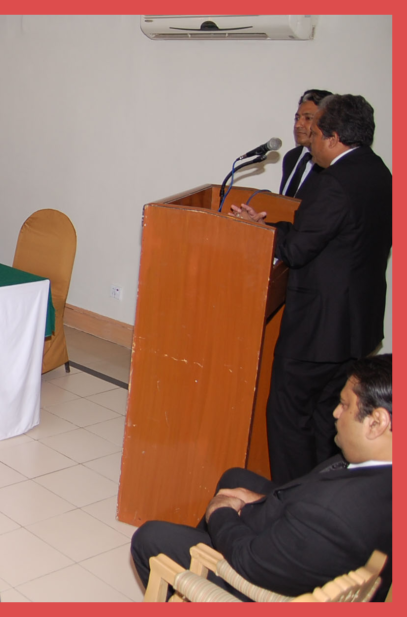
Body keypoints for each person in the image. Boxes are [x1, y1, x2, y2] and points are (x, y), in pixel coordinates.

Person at [130, 354, 392, 602]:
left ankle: (199, 566)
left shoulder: (330, 513)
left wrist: (221, 513)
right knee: (235, 478)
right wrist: (265, 500)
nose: (335, 412)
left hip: (265, 586)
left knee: (151, 537)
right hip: (309, 552)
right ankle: (202, 546)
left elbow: (249, 561)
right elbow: (309, 506)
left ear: (376, 422)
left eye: (345, 405)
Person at [233, 94, 393, 484]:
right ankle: (323, 490)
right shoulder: (379, 172)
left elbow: (298, 250)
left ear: (334, 138)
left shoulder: (333, 182)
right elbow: (334, 238)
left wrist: (259, 232)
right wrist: (270, 226)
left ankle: (291, 499)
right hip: (356, 325)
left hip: (319, 329)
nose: (311, 141)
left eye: (316, 134)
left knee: (288, 414)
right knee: (329, 416)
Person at [279, 89, 333, 197]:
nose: (298, 125)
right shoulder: (291, 157)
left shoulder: (330, 162)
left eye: (308, 118)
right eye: (297, 118)